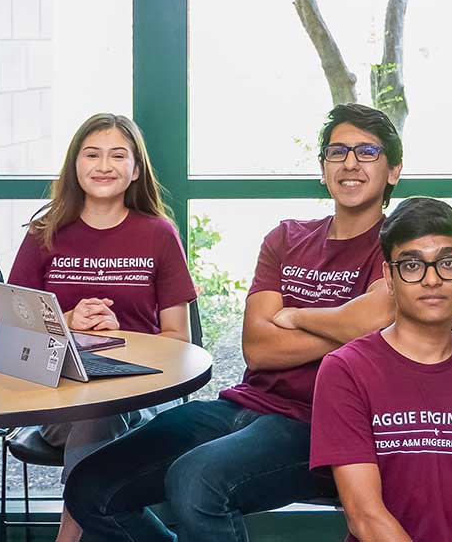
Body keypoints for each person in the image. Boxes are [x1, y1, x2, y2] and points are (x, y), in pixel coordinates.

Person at [64, 103, 404, 541]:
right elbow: (259, 347)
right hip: (245, 404)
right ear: (323, 168)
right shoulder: (287, 237)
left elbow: (373, 320)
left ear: (393, 170)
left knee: (196, 481)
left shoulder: (399, 244)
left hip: (324, 423)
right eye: (337, 152)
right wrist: (343, 325)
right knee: (90, 486)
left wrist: (296, 316)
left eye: (367, 152)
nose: (350, 163)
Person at [9, 113, 198, 542]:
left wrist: (123, 340)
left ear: (135, 169)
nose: (104, 165)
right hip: (58, 401)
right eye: (91, 154)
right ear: (75, 164)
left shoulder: (158, 234)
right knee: (93, 411)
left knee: (103, 410)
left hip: (140, 400)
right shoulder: (45, 233)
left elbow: (178, 339)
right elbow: (14, 333)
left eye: (118, 155)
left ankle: (69, 537)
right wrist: (68, 323)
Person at [310, 197, 452, 541]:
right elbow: (365, 517)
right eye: (412, 265)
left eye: (447, 263)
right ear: (389, 277)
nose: (432, 280)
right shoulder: (346, 370)